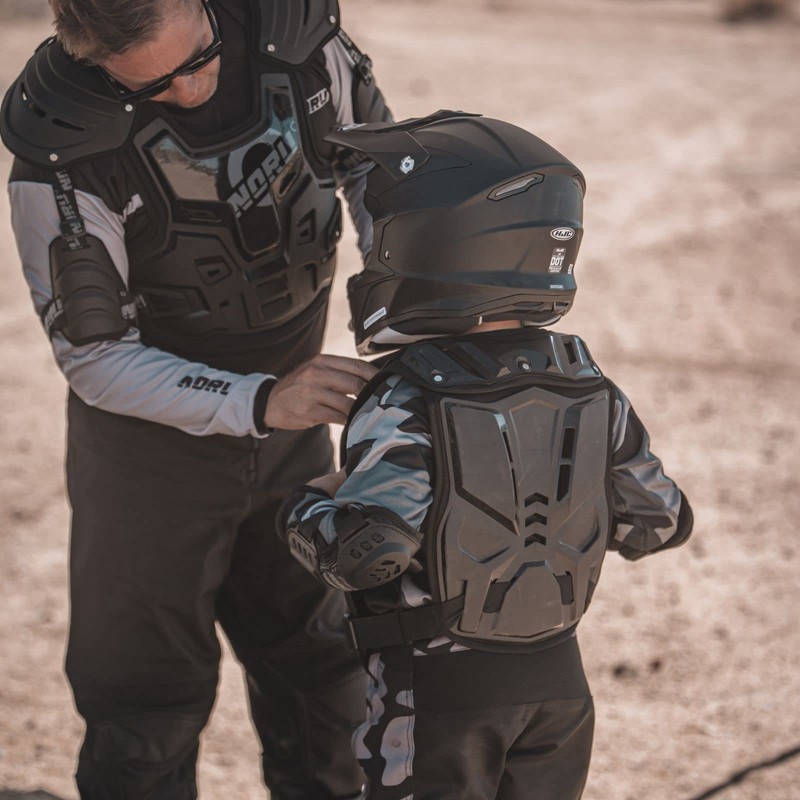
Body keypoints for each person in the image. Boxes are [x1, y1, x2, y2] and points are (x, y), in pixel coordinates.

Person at [0, 0, 392, 797]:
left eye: (199, 57)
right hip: (148, 465)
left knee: (327, 677)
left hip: (291, 432)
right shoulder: (63, 146)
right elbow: (96, 357)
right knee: (145, 711)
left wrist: (395, 303)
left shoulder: (299, 43)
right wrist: (257, 401)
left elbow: (378, 170)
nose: (190, 89)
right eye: (153, 84)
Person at [277, 110, 695, 800]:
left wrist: (309, 499)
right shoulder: (594, 386)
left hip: (439, 696)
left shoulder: (406, 395)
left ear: (430, 246)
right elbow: (660, 521)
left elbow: (366, 550)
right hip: (560, 691)